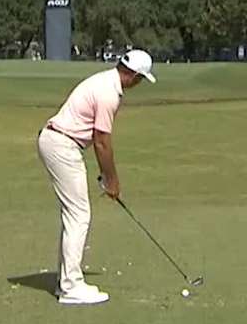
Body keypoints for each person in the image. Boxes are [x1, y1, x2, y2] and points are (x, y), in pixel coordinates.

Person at [35, 48, 157, 305]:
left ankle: (66, 282)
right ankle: (71, 287)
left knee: (74, 214)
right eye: (141, 79)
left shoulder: (104, 81)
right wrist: (112, 180)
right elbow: (102, 141)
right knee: (79, 215)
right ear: (134, 76)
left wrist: (106, 176)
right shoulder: (108, 93)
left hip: (59, 141)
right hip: (61, 144)